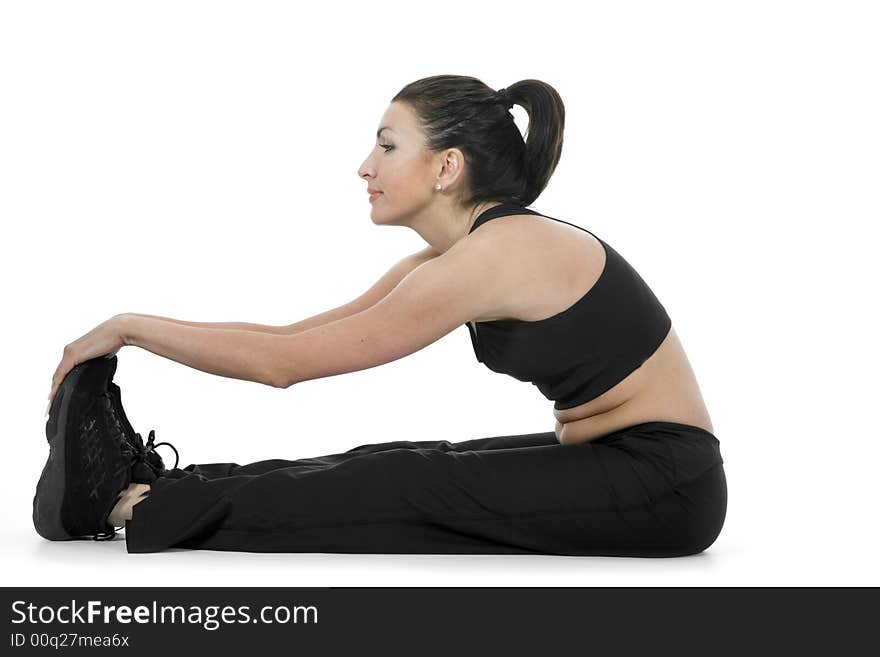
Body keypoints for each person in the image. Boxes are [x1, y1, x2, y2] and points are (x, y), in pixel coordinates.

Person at [35, 75, 727, 556]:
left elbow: (285, 369)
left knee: (408, 485)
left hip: (664, 483)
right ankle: (158, 486)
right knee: (394, 462)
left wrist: (128, 327)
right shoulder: (457, 257)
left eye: (388, 146)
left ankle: (131, 508)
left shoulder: (492, 257)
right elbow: (292, 338)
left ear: (447, 167)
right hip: (620, 463)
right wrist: (134, 325)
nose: (365, 166)